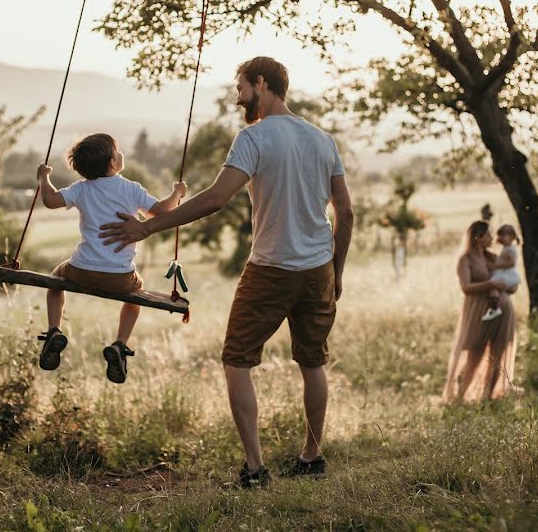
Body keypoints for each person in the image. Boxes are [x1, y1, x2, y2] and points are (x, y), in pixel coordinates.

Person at [98, 57, 354, 488]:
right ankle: (312, 456)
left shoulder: (252, 138)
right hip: (317, 271)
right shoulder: (322, 139)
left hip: (271, 269)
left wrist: (148, 226)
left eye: (241, 88)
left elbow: (215, 199)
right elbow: (344, 211)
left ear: (261, 83)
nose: (238, 98)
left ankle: (255, 469)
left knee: (236, 360)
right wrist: (336, 271)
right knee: (312, 363)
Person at [35, 133, 186, 383]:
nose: (121, 154)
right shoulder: (131, 189)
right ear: (113, 163)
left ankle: (54, 331)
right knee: (136, 295)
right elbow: (161, 211)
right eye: (117, 151)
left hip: (81, 270)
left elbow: (50, 200)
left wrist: (44, 177)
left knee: (55, 280)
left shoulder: (81, 189)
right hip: (120, 277)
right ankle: (119, 345)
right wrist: (177, 193)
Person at [442, 220, 518, 403]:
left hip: (502, 309)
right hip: (478, 311)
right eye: (489, 235)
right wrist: (490, 284)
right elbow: (466, 287)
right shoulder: (465, 259)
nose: (493, 238)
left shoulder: (492, 257)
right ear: (478, 237)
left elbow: (509, 279)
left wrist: (508, 286)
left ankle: (490, 396)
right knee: (474, 352)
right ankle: (460, 396)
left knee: (497, 352)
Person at [482, 224, 521, 321]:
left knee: (493, 286)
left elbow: (511, 263)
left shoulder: (511, 249)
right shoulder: (506, 249)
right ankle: (495, 307)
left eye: (504, 235)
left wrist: (495, 266)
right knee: (494, 288)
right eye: (500, 235)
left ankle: (494, 308)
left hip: (506, 275)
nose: (501, 238)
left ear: (512, 237)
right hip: (504, 274)